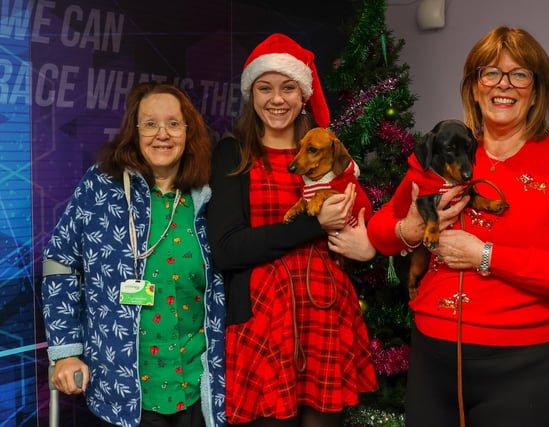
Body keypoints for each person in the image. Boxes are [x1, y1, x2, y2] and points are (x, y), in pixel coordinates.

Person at [367, 26, 549, 427]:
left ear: (537, 90)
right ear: (474, 88)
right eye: (490, 73)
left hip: (521, 364)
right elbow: (379, 232)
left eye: (520, 74)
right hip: (433, 353)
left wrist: (485, 255)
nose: (504, 85)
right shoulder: (446, 148)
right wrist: (408, 229)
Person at [207, 33, 377, 426]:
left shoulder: (327, 148)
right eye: (265, 88)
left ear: (303, 95)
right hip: (264, 320)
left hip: (326, 317)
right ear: (252, 95)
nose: (277, 99)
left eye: (288, 88)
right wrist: (313, 223)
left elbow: (359, 223)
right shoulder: (233, 154)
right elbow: (229, 249)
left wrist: (367, 244)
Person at [41, 82, 226, 427]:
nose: (162, 134)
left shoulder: (206, 193)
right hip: (121, 390)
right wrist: (66, 351)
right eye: (150, 123)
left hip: (196, 387)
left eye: (173, 123)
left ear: (189, 132)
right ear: (134, 130)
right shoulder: (101, 185)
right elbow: (59, 263)